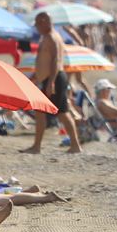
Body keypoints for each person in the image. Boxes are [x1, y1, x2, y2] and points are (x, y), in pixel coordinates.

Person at [25, 14, 82, 154]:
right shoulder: (46, 37)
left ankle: (75, 145)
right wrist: (35, 77)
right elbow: (44, 60)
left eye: (38, 24)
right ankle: (36, 146)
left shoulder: (53, 37)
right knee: (39, 111)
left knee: (62, 113)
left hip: (55, 79)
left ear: (45, 22)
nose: (37, 28)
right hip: (47, 79)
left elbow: (56, 61)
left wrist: (51, 82)